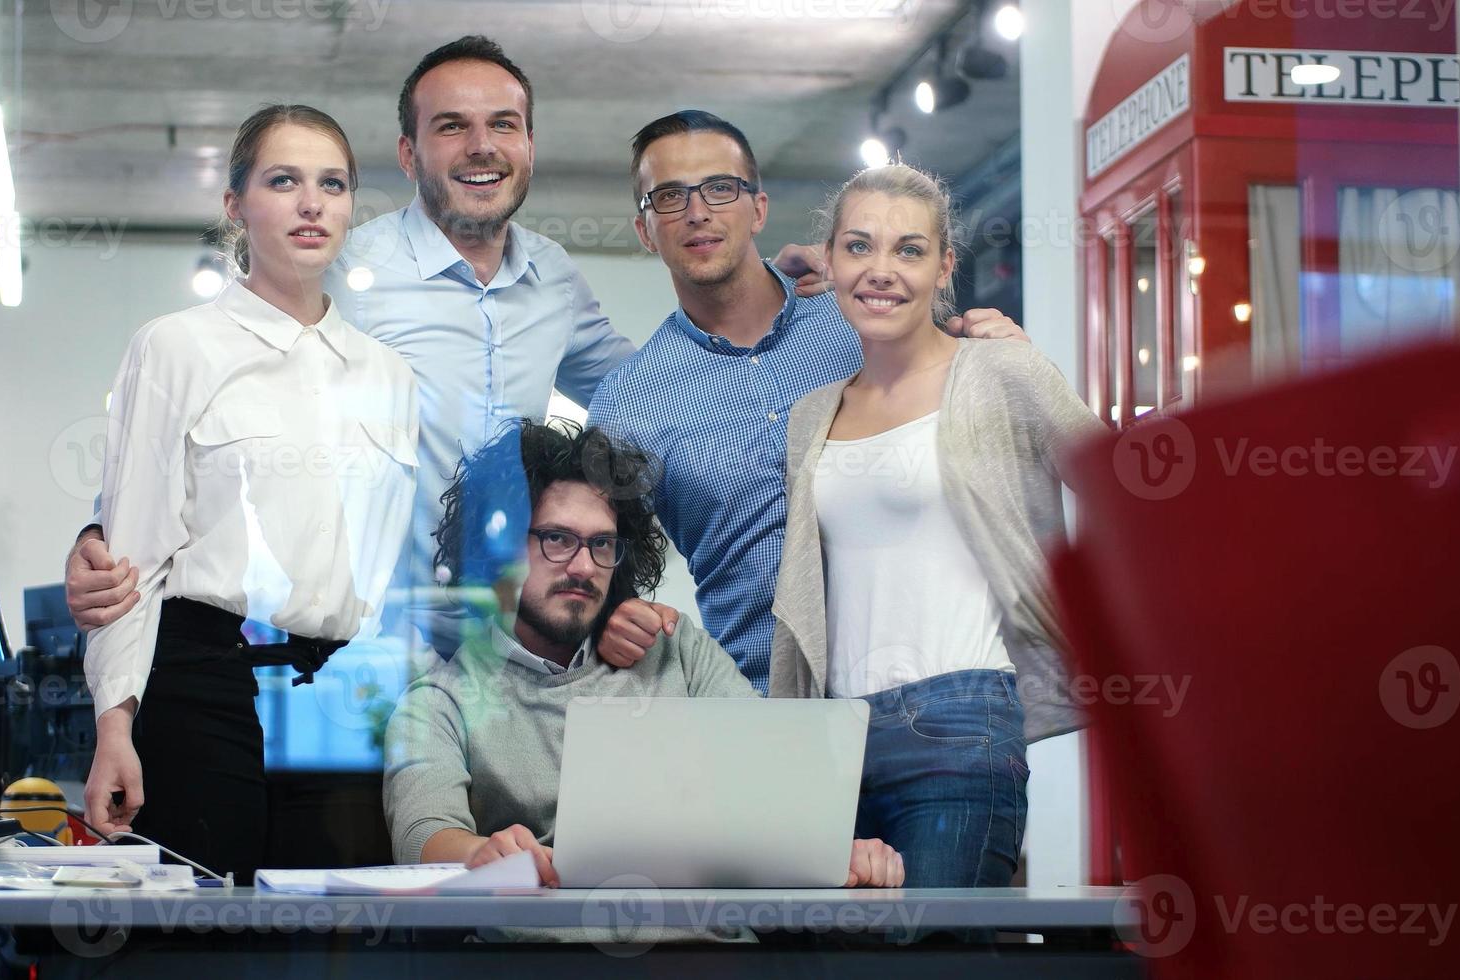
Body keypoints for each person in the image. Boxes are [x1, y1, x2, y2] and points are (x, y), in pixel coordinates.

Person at [65, 36, 636, 646]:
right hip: (374, 644)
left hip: (512, 638)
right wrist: (100, 532)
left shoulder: (555, 278)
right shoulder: (346, 269)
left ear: (528, 145)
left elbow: (647, 396)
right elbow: (206, 385)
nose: (482, 146)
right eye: (451, 126)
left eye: (504, 124)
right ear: (409, 154)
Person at [383, 420, 901, 941]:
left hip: (711, 958)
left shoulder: (678, 652)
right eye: (557, 539)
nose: (584, 566)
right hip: (545, 959)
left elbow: (775, 790)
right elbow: (421, 837)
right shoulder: (438, 701)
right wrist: (480, 852)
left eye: (602, 544)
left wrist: (837, 853)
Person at [80, 104, 420, 884]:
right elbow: (134, 556)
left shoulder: (387, 375)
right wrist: (114, 728)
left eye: (331, 184)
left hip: (345, 696)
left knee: (337, 938)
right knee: (201, 937)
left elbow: (385, 564)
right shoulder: (176, 347)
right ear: (235, 205)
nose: (311, 203)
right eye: (283, 181)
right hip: (201, 681)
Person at [586, 110, 1027, 692]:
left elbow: (994, 439)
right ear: (645, 230)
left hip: (932, 686)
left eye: (721, 187)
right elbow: (593, 557)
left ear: (759, 209)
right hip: (763, 705)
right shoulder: (628, 404)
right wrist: (611, 621)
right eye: (668, 196)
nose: (698, 211)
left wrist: (1006, 359)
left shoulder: (860, 318)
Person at [769, 163, 1104, 891]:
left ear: (945, 265)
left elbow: (1130, 488)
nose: (880, 271)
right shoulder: (810, 414)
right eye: (858, 247)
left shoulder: (998, 373)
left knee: (930, 961)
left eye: (908, 250)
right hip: (832, 738)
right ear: (828, 261)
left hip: (962, 725)